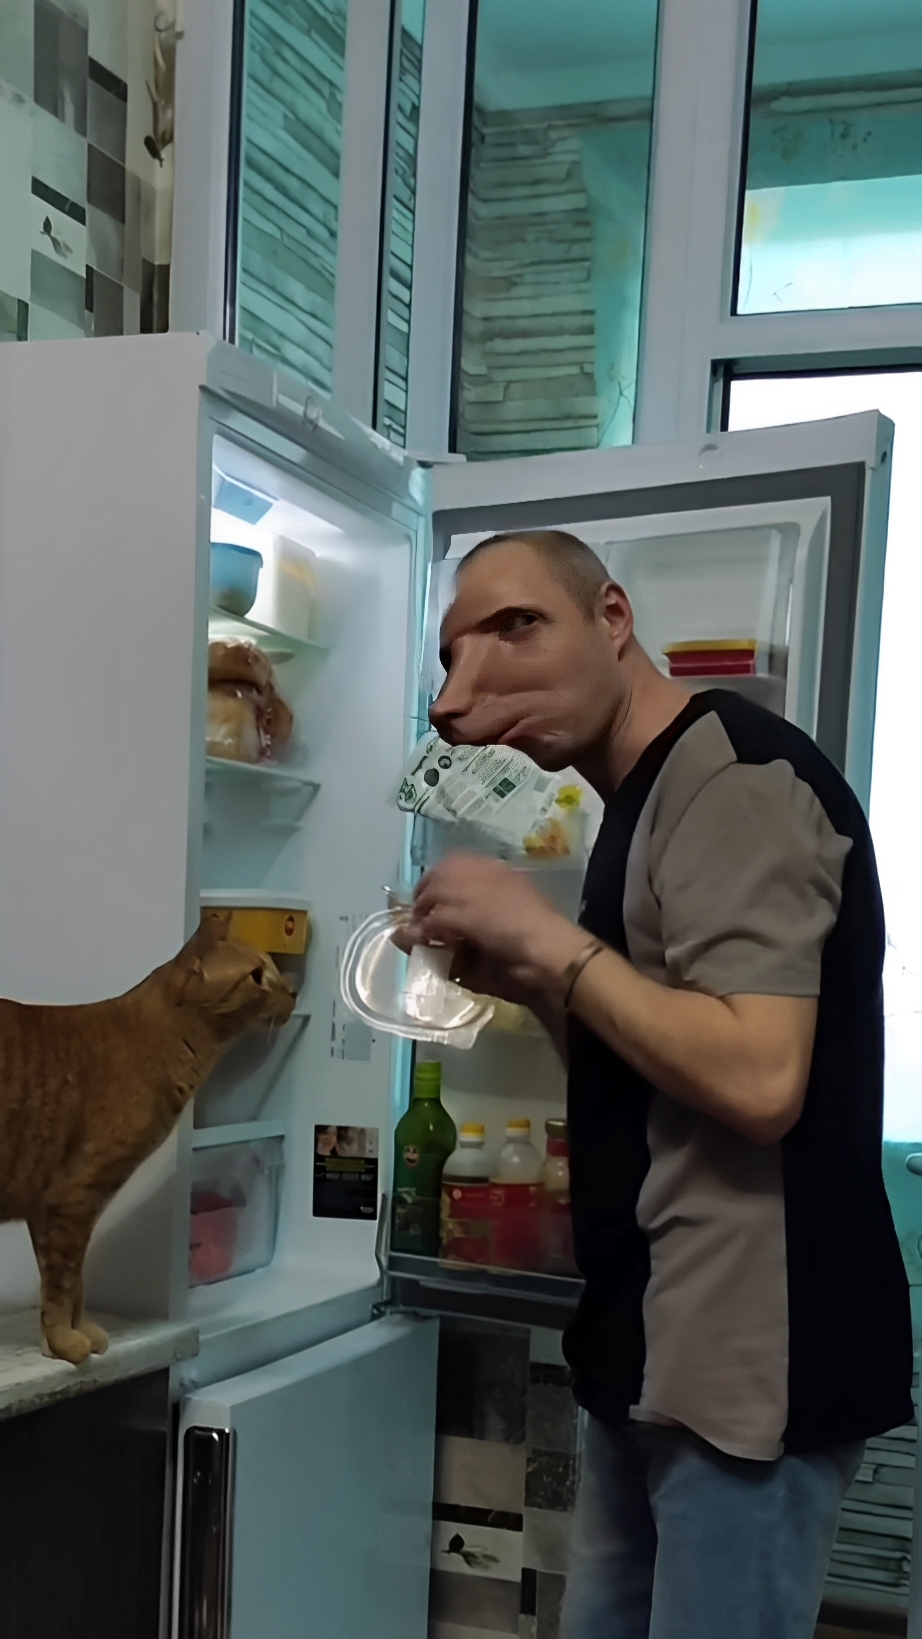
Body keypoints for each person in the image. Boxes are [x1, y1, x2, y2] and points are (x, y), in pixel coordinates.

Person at [399, 529, 913, 1639]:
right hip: (648, 1333)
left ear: (614, 617)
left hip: (746, 1354)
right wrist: (531, 978)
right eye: (451, 656)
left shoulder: (732, 780)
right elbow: (648, 1073)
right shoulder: (639, 797)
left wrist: (551, 940)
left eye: (517, 625)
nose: (463, 691)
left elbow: (760, 1078)